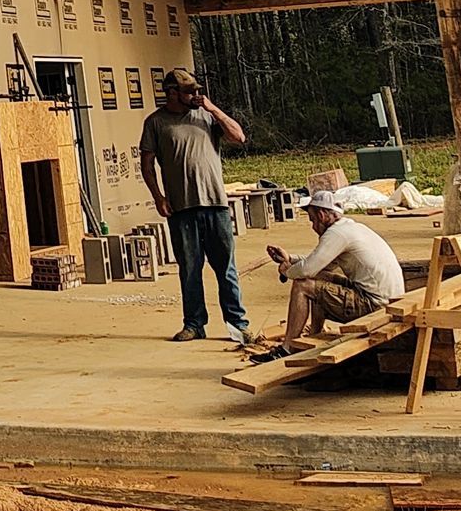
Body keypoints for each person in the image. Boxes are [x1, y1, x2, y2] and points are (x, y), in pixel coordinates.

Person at [138, 69, 252, 345]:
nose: (195, 96)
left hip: (215, 204)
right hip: (181, 208)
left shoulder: (206, 116)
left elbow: (239, 137)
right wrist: (158, 196)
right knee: (190, 268)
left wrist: (213, 108)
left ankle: (237, 324)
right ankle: (194, 324)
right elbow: (147, 164)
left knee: (226, 268)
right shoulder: (156, 122)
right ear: (172, 93)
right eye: (189, 92)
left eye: (197, 91)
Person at [265, 190, 405, 344]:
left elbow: (307, 269)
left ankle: (288, 347)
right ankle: (313, 336)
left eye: (313, 220)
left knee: (302, 285)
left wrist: (287, 271)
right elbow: (319, 264)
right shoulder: (351, 227)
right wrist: (290, 258)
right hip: (387, 299)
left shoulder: (336, 234)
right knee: (318, 279)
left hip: (374, 304)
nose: (313, 227)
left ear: (321, 216)